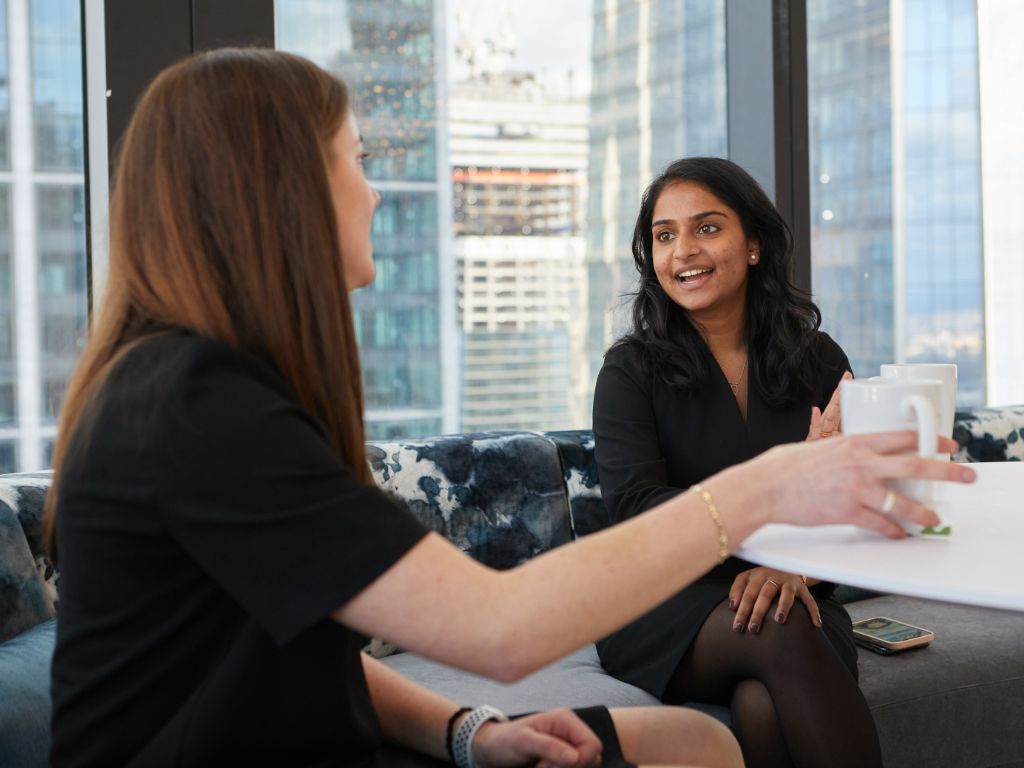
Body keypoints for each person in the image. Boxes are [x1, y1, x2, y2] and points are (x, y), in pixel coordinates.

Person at [44, 50, 972, 768]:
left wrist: (468, 733)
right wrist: (776, 485)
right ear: (275, 192)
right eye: (355, 162)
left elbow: (311, 647)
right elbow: (501, 628)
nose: (374, 191)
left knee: (706, 743)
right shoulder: (196, 410)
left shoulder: (218, 389)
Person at [592, 156, 889, 768]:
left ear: (753, 244)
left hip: (800, 590)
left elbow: (851, 499)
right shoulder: (630, 370)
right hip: (664, 607)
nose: (682, 252)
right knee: (777, 625)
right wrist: (773, 532)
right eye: (664, 235)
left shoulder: (819, 359)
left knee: (760, 704)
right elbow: (635, 512)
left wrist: (795, 569)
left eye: (706, 228)